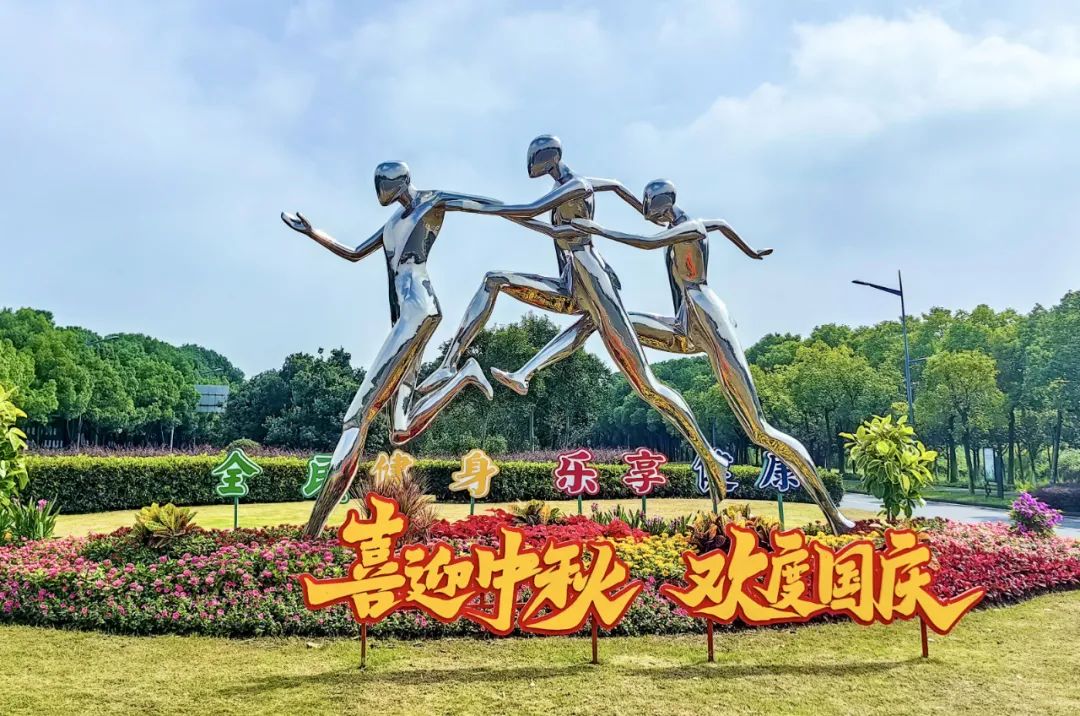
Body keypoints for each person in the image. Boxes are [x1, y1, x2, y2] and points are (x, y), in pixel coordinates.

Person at [490, 179, 854, 533]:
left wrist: (596, 229)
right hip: (683, 322)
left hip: (709, 321)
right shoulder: (695, 224)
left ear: (662, 205)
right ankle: (527, 372)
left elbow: (646, 242)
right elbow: (723, 225)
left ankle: (833, 514)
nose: (646, 214)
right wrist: (751, 251)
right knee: (599, 319)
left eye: (648, 208)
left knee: (759, 430)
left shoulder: (688, 227)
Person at [419, 137, 732, 499]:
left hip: (593, 281)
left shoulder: (575, 186)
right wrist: (647, 214)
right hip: (572, 280)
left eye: (533, 160)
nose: (529, 167)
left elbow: (528, 210)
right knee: (495, 280)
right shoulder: (577, 185)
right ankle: (455, 364)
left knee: (648, 386)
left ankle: (708, 453)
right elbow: (614, 186)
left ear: (547, 159)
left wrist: (464, 203)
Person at [281, 161, 496, 537]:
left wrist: (544, 212)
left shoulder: (431, 202)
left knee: (356, 419)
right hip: (407, 318)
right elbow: (353, 253)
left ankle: (311, 533)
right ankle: (464, 374)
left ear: (400, 181)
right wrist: (313, 232)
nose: (379, 190)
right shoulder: (390, 225)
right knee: (399, 430)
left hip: (417, 312)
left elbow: (490, 206)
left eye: (383, 183)